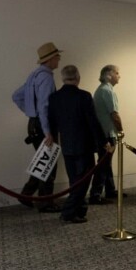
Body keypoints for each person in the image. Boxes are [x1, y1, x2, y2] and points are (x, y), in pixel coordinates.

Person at [48, 65, 113, 223]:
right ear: (78, 78)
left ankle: (80, 210)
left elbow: (52, 122)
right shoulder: (84, 96)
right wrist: (104, 142)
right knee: (84, 181)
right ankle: (69, 211)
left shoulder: (54, 97)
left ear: (63, 78)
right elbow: (93, 122)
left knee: (74, 181)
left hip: (67, 144)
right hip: (84, 145)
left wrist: (51, 137)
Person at [11, 42, 61, 213]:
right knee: (49, 163)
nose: (59, 59)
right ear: (51, 59)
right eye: (57, 56)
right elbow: (45, 106)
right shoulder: (46, 77)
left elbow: (16, 96)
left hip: (34, 123)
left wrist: (29, 112)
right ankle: (45, 202)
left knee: (43, 160)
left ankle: (27, 194)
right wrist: (47, 131)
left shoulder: (34, 75)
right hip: (43, 124)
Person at [91, 64, 123, 204]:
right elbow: (114, 114)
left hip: (103, 132)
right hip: (107, 134)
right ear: (108, 75)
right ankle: (95, 194)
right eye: (117, 73)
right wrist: (121, 130)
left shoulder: (101, 90)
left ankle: (110, 190)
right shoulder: (107, 91)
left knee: (106, 163)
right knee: (103, 164)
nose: (119, 76)